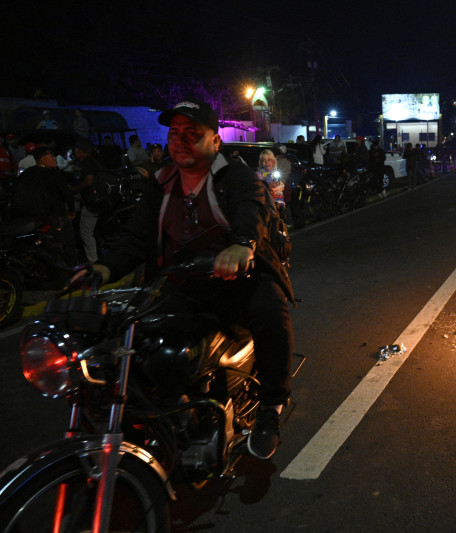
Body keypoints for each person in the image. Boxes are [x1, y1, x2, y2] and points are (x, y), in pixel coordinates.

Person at [80, 100, 294, 460]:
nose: (180, 141)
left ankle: (271, 408)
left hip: (238, 279)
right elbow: (137, 237)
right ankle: (174, 408)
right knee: (138, 339)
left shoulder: (237, 176)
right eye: (174, 134)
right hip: (180, 283)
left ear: (215, 142)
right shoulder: (161, 183)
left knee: (272, 313)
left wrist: (243, 246)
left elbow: (251, 212)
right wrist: (102, 269)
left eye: (192, 134)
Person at [12, 147, 77, 264]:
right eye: (51, 156)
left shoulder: (27, 173)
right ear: (42, 159)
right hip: (55, 214)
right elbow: (65, 192)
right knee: (66, 242)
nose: (55, 158)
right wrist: (72, 208)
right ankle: (70, 268)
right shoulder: (53, 174)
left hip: (32, 218)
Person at [72, 138, 103, 264]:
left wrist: (74, 188)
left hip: (92, 202)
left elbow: (89, 181)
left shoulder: (87, 162)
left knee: (85, 233)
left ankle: (93, 261)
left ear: (79, 151)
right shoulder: (96, 160)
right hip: (100, 200)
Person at [258, 149, 287, 219]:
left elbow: (281, 186)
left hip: (278, 201)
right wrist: (269, 186)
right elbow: (260, 186)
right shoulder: (260, 174)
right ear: (261, 163)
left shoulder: (275, 173)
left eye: (269, 160)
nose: (266, 162)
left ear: (273, 162)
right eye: (263, 160)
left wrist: (280, 186)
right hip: (266, 203)